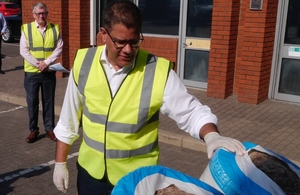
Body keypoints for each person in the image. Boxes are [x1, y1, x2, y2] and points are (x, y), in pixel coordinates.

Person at [53, 1, 246, 194]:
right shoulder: (84, 62)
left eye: (135, 41)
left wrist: (211, 136)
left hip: (137, 181)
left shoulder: (157, 71)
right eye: (120, 42)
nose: (128, 49)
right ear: (103, 34)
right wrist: (60, 163)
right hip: (90, 176)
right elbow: (68, 120)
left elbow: (191, 112)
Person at [20, 2, 63, 143]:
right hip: (32, 72)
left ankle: (49, 129)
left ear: (47, 13)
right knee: (32, 102)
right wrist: (37, 64)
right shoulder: (27, 29)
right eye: (38, 13)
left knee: (48, 101)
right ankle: (33, 130)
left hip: (48, 71)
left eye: (43, 13)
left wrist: (47, 62)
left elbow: (59, 48)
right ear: (33, 14)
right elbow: (23, 50)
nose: (41, 16)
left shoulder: (55, 29)